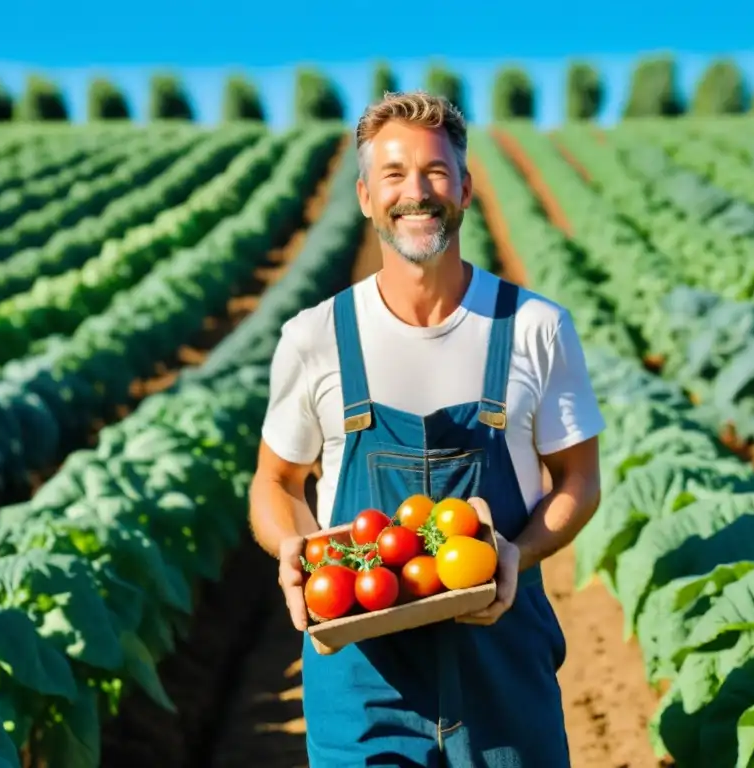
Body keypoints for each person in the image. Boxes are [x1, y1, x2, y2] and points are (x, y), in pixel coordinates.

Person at [248, 90, 605, 767]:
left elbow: (579, 479)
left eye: (436, 172)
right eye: (393, 174)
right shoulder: (315, 337)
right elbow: (276, 481)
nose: (417, 192)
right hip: (362, 686)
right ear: (363, 197)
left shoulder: (534, 328)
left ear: (465, 188)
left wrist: (517, 556)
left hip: (503, 674)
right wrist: (292, 549)